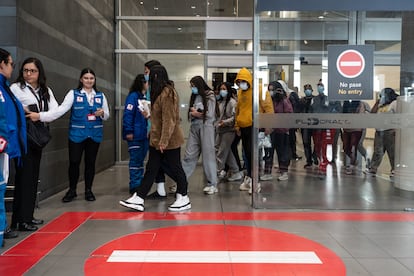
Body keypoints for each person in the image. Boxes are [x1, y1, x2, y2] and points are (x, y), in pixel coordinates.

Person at [27, 68, 110, 202]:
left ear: (94, 80)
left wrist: (103, 114)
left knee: (90, 163)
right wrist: (41, 116)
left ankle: (88, 190)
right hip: (77, 135)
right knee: (74, 162)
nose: (89, 81)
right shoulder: (73, 94)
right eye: (86, 78)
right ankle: (72, 190)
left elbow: (107, 114)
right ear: (81, 79)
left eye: (91, 78)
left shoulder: (100, 95)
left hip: (94, 134)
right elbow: (60, 110)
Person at [119, 65, 190, 211]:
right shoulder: (159, 92)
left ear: (156, 76)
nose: (147, 78)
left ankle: (183, 196)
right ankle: (139, 197)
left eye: (149, 75)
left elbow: (169, 120)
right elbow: (159, 117)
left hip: (168, 140)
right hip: (157, 139)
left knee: (175, 167)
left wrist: (163, 141)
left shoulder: (168, 93)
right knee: (151, 168)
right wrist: (149, 115)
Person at [9, 57, 59, 231]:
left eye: (32, 71)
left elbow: (56, 111)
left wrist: (40, 115)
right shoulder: (16, 88)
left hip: (37, 138)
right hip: (24, 138)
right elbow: (10, 109)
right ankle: (20, 220)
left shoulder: (45, 90)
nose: (28, 74)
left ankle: (28, 216)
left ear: (39, 73)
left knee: (32, 178)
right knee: (24, 179)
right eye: (25, 70)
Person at [0, 48, 26, 240]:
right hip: (3, 147)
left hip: (8, 147)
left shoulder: (5, 87)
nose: (12, 68)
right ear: (2, 64)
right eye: (11, 64)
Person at [234, 68, 273, 193]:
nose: (241, 83)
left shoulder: (260, 89)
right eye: (239, 81)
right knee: (246, 155)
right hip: (243, 127)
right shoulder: (240, 92)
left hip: (255, 126)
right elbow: (238, 110)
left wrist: (268, 125)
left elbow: (268, 107)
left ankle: (255, 181)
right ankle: (250, 178)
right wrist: (237, 126)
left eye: (243, 80)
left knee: (254, 155)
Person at [181, 76, 219, 195]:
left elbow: (210, 114)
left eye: (194, 86)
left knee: (208, 155)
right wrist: (194, 113)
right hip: (195, 126)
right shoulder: (196, 96)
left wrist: (197, 113)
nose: (192, 88)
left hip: (206, 127)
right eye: (191, 86)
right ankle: (182, 181)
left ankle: (212, 183)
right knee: (189, 155)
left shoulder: (210, 95)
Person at [143, 60, 168, 198]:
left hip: (157, 131)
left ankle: (182, 191)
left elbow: (163, 115)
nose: (145, 75)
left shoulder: (163, 91)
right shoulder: (150, 87)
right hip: (152, 129)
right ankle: (159, 189)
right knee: (154, 163)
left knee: (167, 164)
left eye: (147, 72)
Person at [122, 74, 149, 194]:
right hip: (135, 135)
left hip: (143, 134)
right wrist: (128, 131)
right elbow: (128, 114)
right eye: (147, 82)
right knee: (135, 160)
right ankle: (134, 185)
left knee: (140, 160)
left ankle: (139, 183)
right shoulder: (133, 97)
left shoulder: (143, 97)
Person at [262, 81, 293, 181]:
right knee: (268, 152)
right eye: (269, 90)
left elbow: (288, 115)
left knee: (282, 152)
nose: (271, 92)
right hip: (270, 131)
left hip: (281, 131)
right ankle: (267, 172)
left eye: (272, 89)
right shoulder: (268, 100)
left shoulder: (284, 101)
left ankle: (284, 172)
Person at [365, 88, 398, 177]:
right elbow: (372, 113)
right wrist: (377, 102)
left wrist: (397, 128)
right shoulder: (380, 105)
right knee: (377, 151)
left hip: (390, 131)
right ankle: (373, 168)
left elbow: (399, 116)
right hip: (379, 131)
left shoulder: (394, 103)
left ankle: (394, 169)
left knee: (392, 151)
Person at [215, 82, 243, 182]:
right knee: (227, 152)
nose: (222, 91)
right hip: (221, 130)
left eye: (224, 89)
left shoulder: (232, 102)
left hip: (228, 130)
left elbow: (234, 118)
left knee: (221, 152)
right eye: (221, 89)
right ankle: (236, 171)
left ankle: (217, 172)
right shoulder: (221, 102)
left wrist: (225, 122)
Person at [311, 80, 341, 172]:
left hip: (325, 125)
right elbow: (312, 111)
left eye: (321, 86)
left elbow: (335, 110)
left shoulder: (329, 99)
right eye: (318, 86)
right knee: (317, 144)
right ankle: (320, 159)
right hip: (316, 125)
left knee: (325, 143)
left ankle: (324, 159)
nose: (320, 87)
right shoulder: (314, 99)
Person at [342, 100, 365, 175]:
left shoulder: (360, 104)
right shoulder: (345, 103)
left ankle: (351, 165)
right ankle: (353, 160)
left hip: (356, 129)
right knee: (345, 147)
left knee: (353, 147)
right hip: (346, 129)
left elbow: (361, 115)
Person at [298, 84, 315, 168]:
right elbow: (298, 111)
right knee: (306, 143)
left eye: (309, 89)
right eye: (306, 89)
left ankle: (315, 156)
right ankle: (309, 160)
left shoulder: (316, 100)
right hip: (305, 125)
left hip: (315, 124)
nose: (308, 91)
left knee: (317, 142)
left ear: (312, 90)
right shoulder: (301, 101)